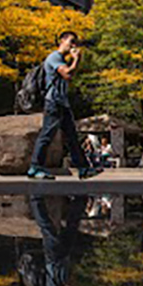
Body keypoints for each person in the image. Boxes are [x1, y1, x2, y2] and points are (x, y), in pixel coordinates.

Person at [27, 32, 102, 181]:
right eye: (71, 41)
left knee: (72, 137)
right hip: (53, 102)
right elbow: (67, 72)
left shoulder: (61, 59)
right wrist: (76, 59)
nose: (73, 45)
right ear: (62, 41)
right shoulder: (54, 57)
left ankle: (83, 169)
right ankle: (35, 167)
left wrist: (75, 62)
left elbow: (68, 75)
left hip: (62, 103)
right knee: (47, 134)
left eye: (75, 43)